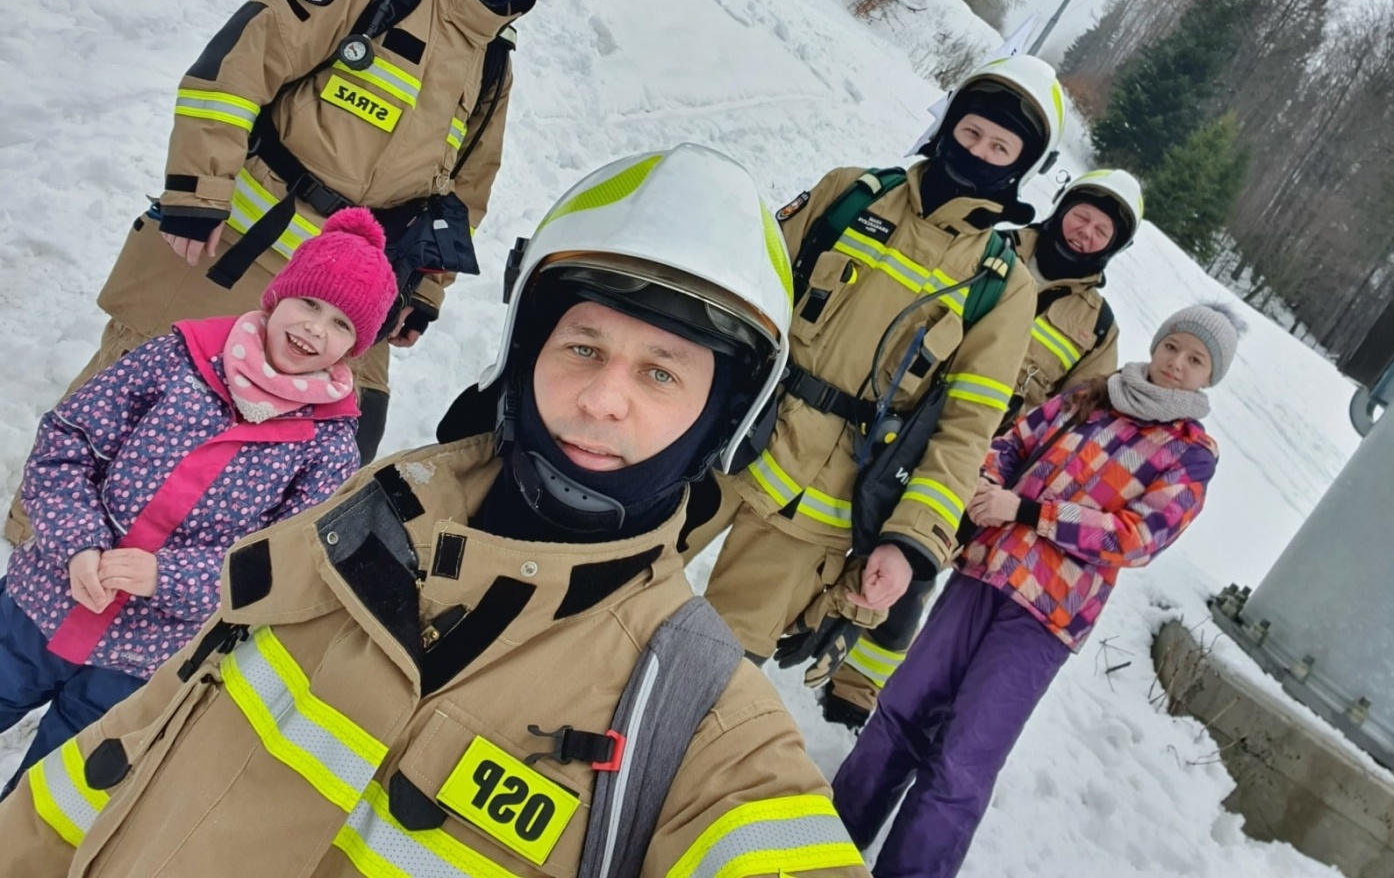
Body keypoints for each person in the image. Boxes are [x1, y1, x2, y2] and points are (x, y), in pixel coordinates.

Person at [0, 144, 870, 878]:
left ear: (724, 416)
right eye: (583, 346)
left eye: (660, 372)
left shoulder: (700, 719)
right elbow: (124, 749)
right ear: (525, 353)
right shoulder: (360, 520)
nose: (603, 399)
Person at [3, 0, 587, 553]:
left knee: (329, 450)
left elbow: (464, 192)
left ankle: (180, 594)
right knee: (135, 397)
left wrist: (425, 292)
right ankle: (36, 553)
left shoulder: (494, 61)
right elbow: (237, 64)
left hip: (351, 290)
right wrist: (197, 188)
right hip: (233, 247)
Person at [830, 302, 1241, 878]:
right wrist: (989, 486)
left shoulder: (1189, 454)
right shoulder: (1095, 395)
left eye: (1196, 360)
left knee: (962, 760)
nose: (1177, 364)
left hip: (1047, 615)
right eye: (1173, 346)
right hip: (983, 575)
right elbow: (1010, 444)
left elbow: (1138, 537)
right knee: (900, 710)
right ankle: (825, 848)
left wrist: (1027, 511)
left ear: (1209, 376)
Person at [685, 55, 1068, 672]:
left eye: (1000, 147)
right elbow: (739, 290)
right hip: (726, 445)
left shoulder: (1003, 286)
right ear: (947, 125)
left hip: (820, 509)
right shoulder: (850, 193)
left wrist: (910, 541)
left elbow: (966, 428)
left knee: (712, 665)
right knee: (610, 578)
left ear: (1020, 169)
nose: (977, 151)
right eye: (971, 132)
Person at [0, 208, 396, 792]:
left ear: (354, 346)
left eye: (340, 324)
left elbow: (284, 565)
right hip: (41, 601)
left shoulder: (329, 444)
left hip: (143, 659)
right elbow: (69, 442)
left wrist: (168, 576)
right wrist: (77, 542)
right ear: (279, 295)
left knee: (51, 795)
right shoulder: (179, 356)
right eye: (310, 304)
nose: (315, 329)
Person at [821, 168, 1145, 725]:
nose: (1085, 233)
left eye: (1102, 232)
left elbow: (1073, 422)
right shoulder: (993, 245)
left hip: (979, 464)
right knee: (845, 516)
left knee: (918, 568)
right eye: (1082, 216)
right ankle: (818, 618)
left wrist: (1009, 483)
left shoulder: (1097, 328)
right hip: (907, 418)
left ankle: (857, 683)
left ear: (1115, 247)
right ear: (1063, 207)